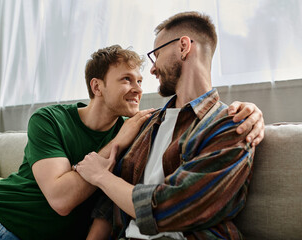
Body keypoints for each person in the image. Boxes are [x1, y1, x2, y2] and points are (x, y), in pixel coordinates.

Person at [0, 47, 262, 239]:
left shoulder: (140, 131)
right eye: (126, 79)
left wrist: (250, 112)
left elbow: (196, 118)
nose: (137, 88)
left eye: (139, 80)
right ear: (97, 86)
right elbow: (61, 198)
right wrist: (116, 143)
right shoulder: (50, 119)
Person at [76, 11, 260, 239]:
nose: (152, 69)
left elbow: (168, 208)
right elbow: (109, 205)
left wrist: (101, 177)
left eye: (157, 54)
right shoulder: (145, 123)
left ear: (183, 46)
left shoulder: (232, 125)